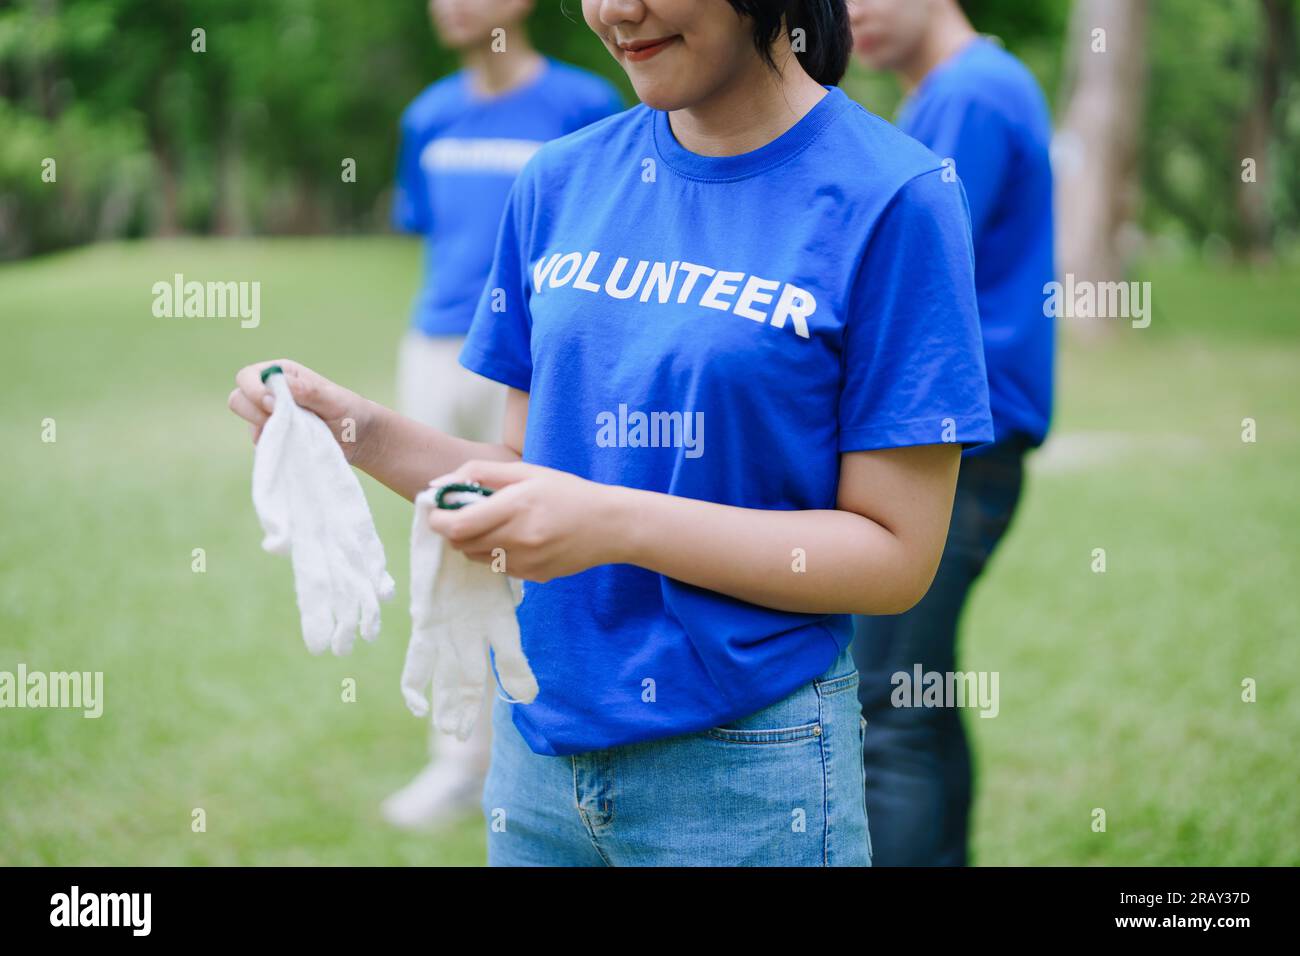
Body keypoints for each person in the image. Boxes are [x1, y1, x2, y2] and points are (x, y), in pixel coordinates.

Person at [229, 0, 993, 866]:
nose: (614, 11)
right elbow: (525, 472)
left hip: (747, 774)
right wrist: (355, 428)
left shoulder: (896, 196)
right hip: (536, 760)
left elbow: (895, 556)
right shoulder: (560, 179)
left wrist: (613, 523)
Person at [384, 0, 622, 829]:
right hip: (436, 344)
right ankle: (458, 760)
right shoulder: (429, 115)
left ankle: (553, 732)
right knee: (452, 541)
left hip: (541, 355)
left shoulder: (584, 102)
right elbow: (421, 222)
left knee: (542, 541)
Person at [846, 0, 1056, 865]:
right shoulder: (963, 88)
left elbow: (904, 274)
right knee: (916, 695)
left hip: (953, 449)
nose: (849, 9)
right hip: (972, 443)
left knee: (887, 707)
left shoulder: (966, 95)